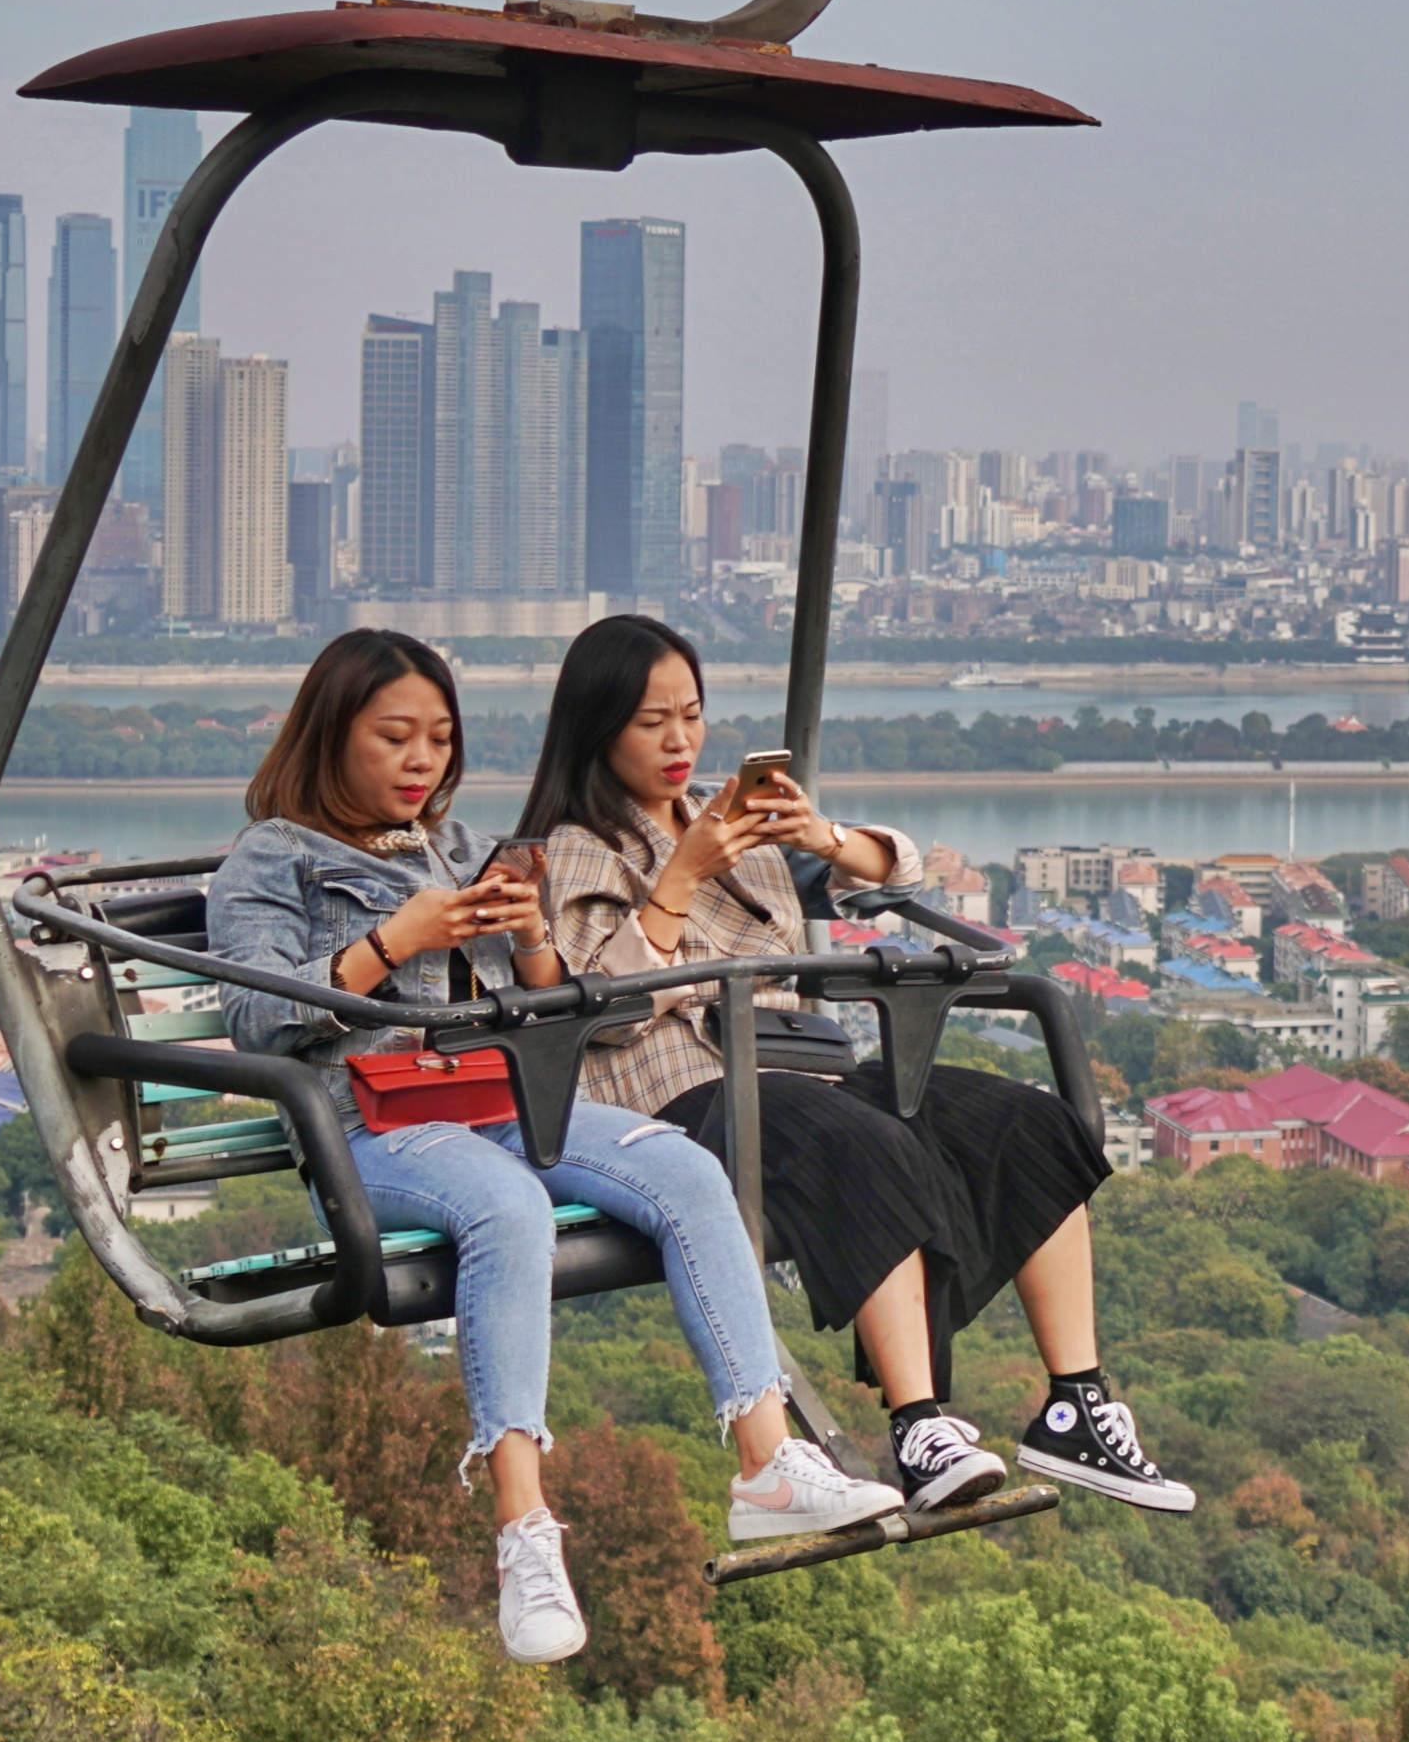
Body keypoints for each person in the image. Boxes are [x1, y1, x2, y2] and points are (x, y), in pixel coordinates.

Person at [205, 627, 901, 1662]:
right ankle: (524, 1533)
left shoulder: (452, 846)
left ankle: (768, 1463)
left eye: (439, 740)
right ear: (331, 737)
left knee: (685, 1170)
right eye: (395, 737)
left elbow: (538, 1011)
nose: (421, 763)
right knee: (507, 1207)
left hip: (494, 1096)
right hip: (374, 1128)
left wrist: (526, 935)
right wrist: (397, 939)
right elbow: (258, 1020)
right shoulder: (276, 856)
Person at [492, 615, 1193, 1520]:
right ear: (598, 729)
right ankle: (918, 1425)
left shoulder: (727, 823)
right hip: (685, 1092)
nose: (678, 742)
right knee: (861, 1141)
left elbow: (889, 875)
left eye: (692, 716)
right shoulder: (569, 850)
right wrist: (678, 877)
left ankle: (1077, 1403)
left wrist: (817, 834)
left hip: (801, 1065)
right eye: (648, 722)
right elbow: (600, 1009)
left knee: (1024, 1121)